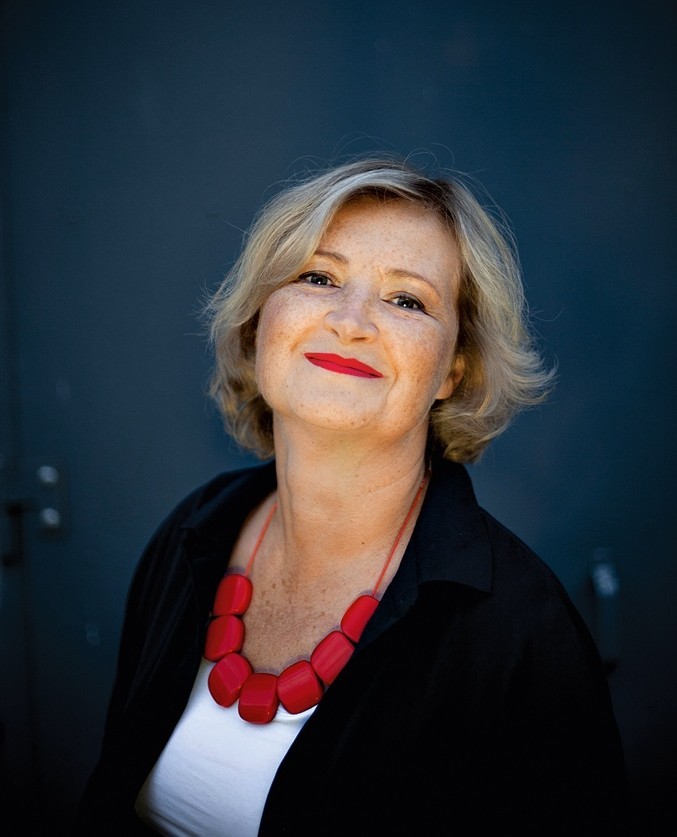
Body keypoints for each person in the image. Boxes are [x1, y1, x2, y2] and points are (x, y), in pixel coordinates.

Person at [75, 156, 630, 835]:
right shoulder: (196, 531)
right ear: (260, 321)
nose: (350, 320)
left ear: (453, 371)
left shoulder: (520, 633)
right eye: (318, 278)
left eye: (406, 300)